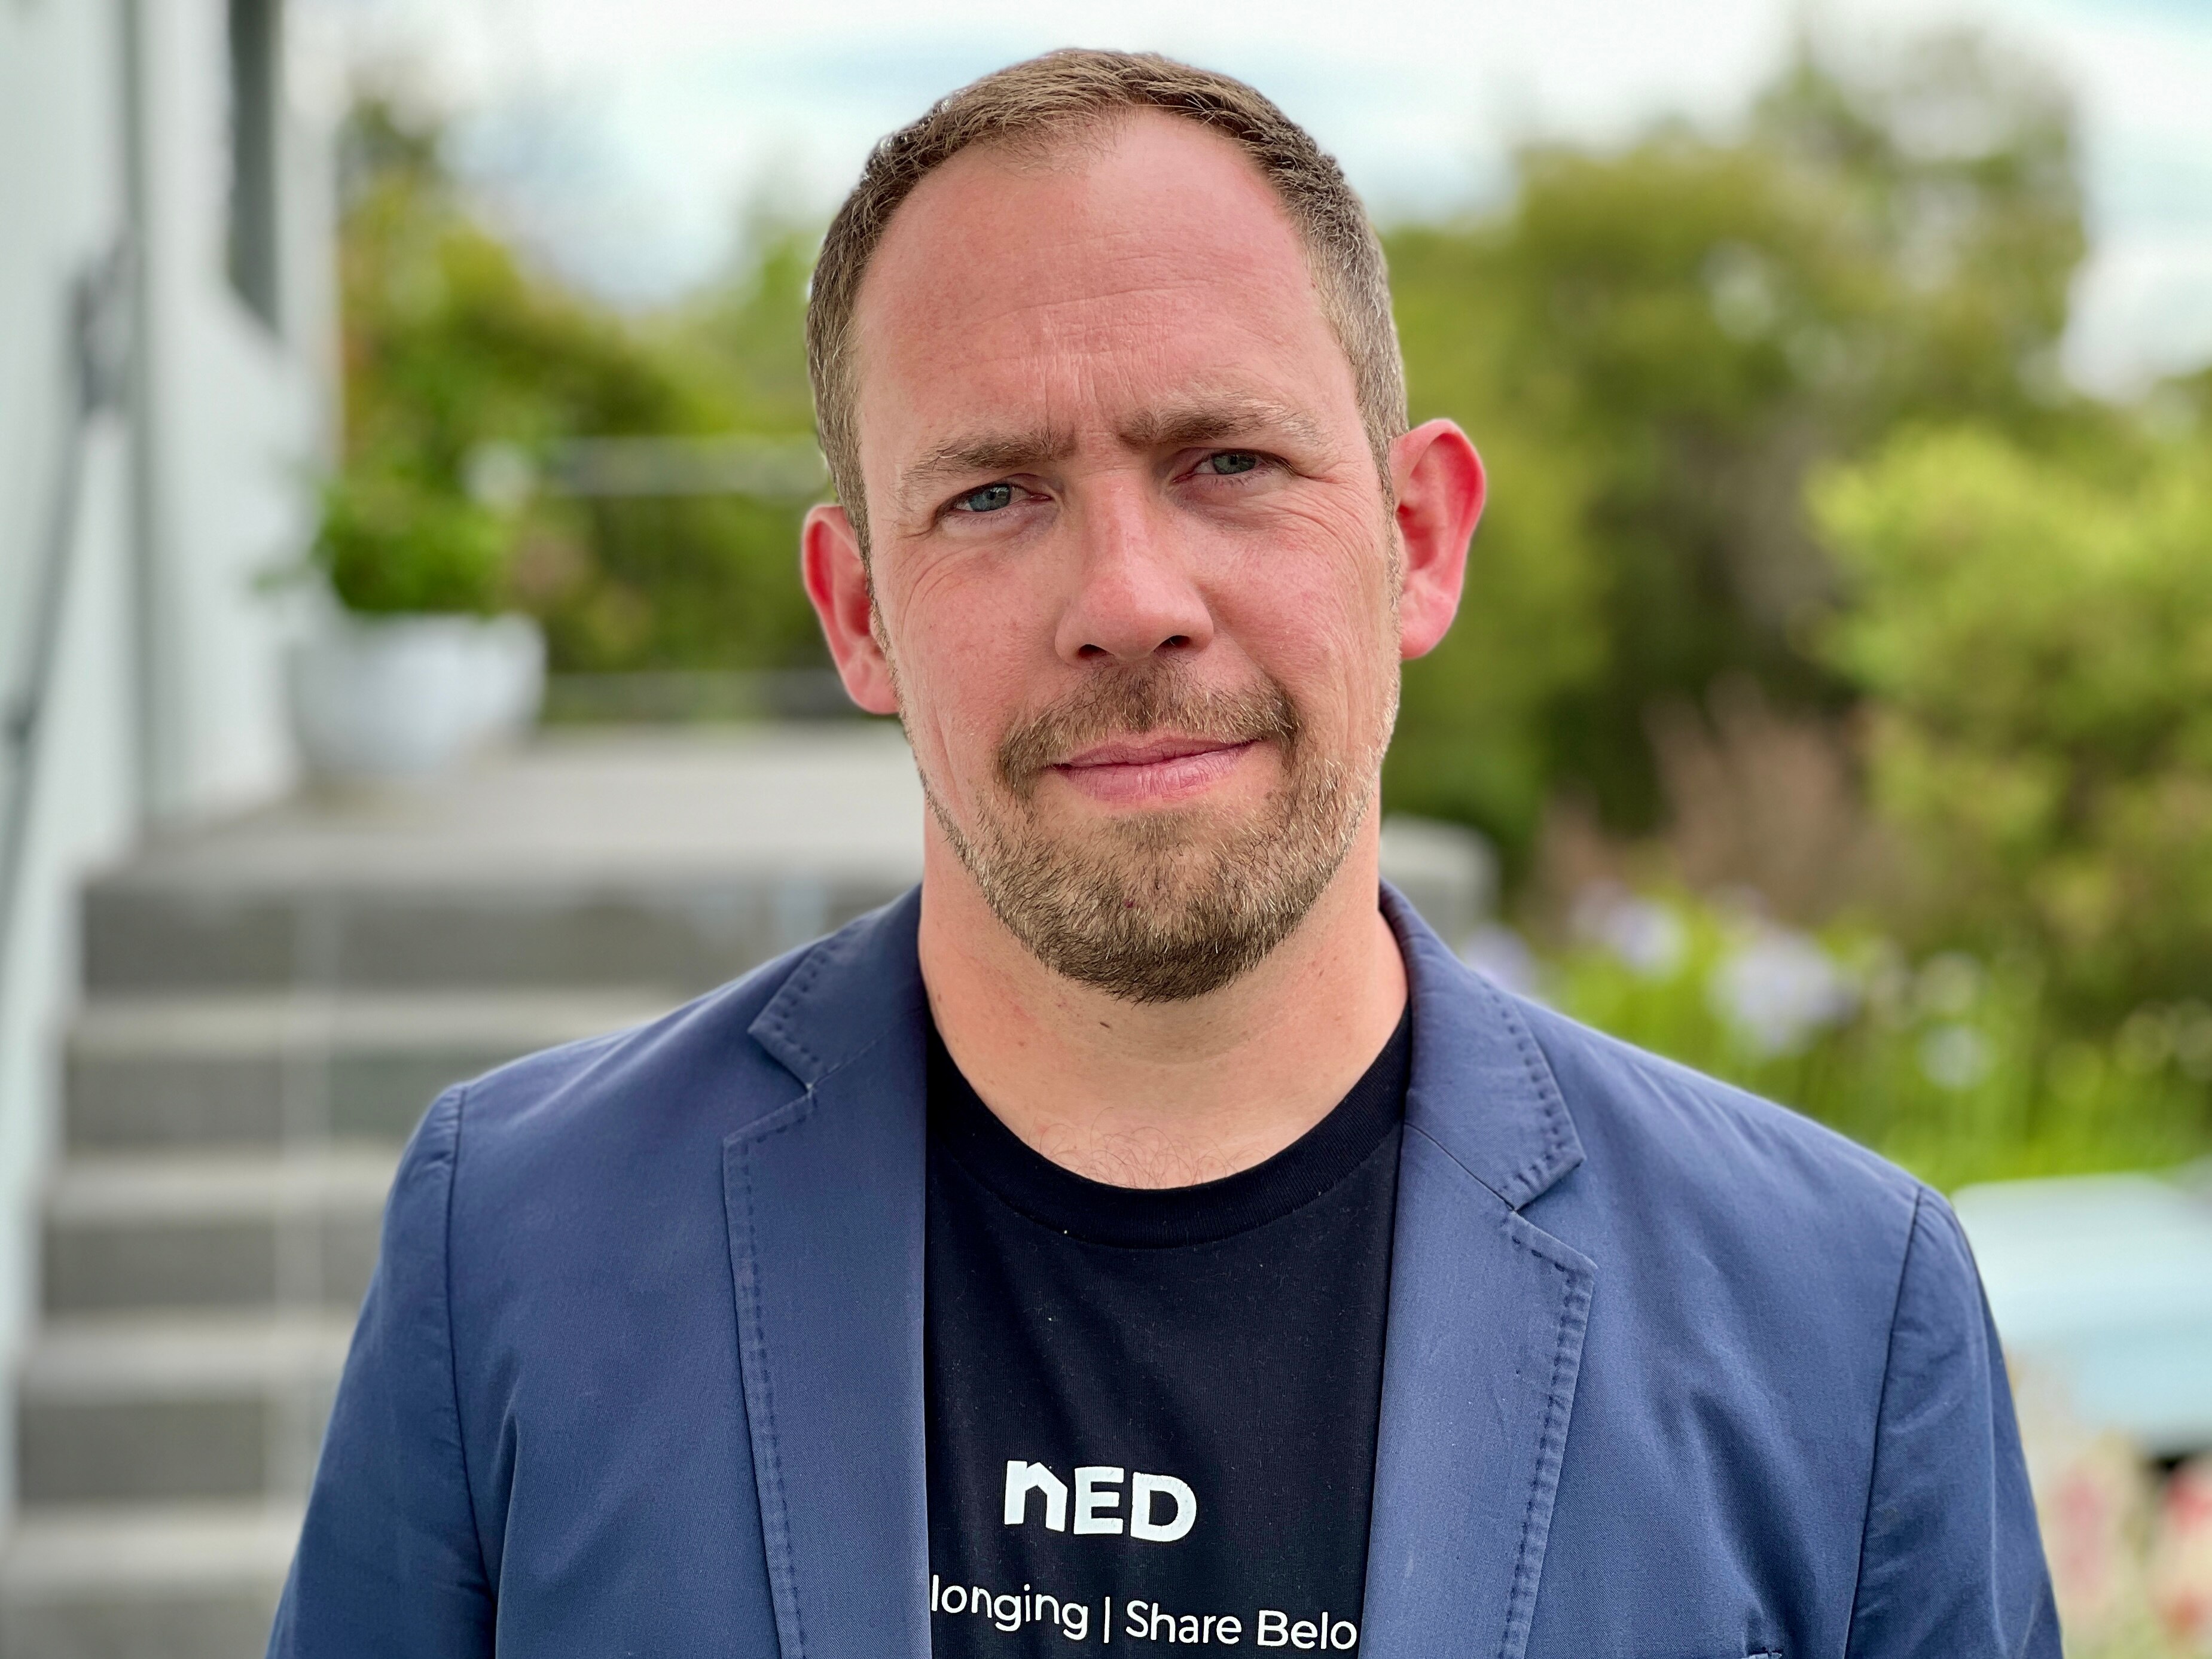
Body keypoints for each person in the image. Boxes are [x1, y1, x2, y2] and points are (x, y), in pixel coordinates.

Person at [270, 49, 2057, 1659]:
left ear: (1417, 539)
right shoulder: (512, 1242)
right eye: (993, 495)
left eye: (1225, 460)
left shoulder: (1840, 1318)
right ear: (857, 611)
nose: (1127, 602)